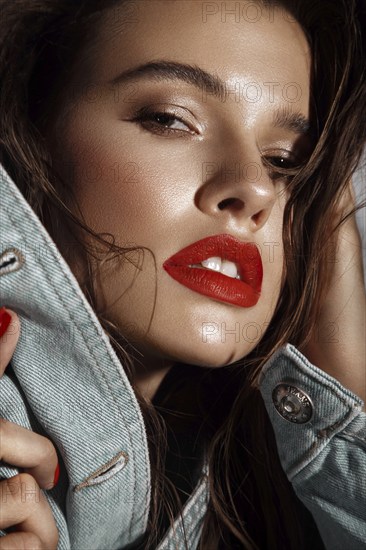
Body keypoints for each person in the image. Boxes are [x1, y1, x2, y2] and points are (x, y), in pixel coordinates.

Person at [0, 0, 365, 548]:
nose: (256, 187)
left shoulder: (256, 503)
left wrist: (345, 380)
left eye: (286, 160)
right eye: (170, 119)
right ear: (32, 138)